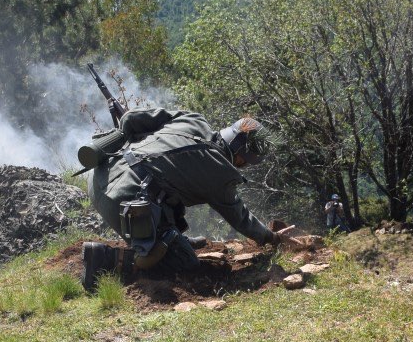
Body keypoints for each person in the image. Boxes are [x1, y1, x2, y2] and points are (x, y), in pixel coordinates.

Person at [78, 107, 293, 290]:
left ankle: (169, 238)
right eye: (244, 161)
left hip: (100, 176)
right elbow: (240, 218)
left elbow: (129, 118)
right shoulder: (220, 171)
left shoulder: (193, 119)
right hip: (123, 203)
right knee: (184, 262)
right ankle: (105, 259)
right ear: (239, 157)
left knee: (165, 191)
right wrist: (272, 238)